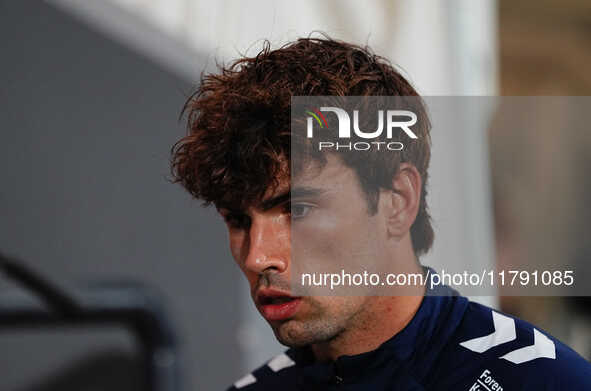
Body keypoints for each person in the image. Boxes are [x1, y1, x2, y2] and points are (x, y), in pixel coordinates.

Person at [171, 37, 591, 390]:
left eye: (297, 209)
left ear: (398, 201)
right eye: (239, 221)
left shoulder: (541, 380)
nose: (257, 257)